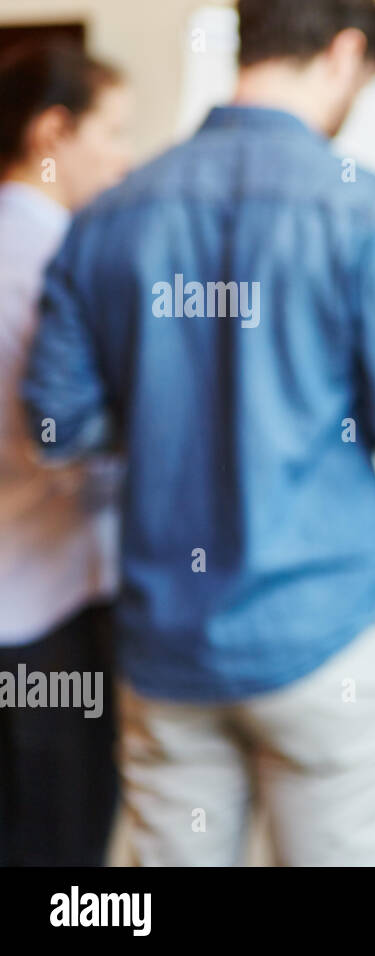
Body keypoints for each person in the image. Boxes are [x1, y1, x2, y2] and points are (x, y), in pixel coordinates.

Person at [22, 0, 375, 866]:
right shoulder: (368, 211)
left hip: (167, 645)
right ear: (344, 54)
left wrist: (158, 402)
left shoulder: (110, 214)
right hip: (325, 633)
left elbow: (55, 423)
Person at [0, 41, 130, 866]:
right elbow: (59, 443)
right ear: (53, 130)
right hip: (47, 614)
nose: (121, 161)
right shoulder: (52, 263)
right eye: (110, 132)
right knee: (62, 852)